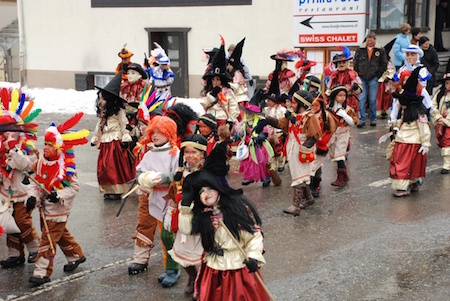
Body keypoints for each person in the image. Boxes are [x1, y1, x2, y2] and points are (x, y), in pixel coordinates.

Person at [178, 169, 270, 301]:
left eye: (209, 188)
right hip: (213, 268)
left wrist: (253, 257)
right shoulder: (203, 215)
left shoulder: (236, 210)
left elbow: (254, 236)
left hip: (237, 268)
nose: (206, 194)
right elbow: (186, 229)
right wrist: (185, 208)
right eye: (201, 191)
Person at [27, 113, 89, 285]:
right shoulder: (41, 162)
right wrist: (32, 197)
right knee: (59, 235)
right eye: (45, 144)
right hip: (44, 208)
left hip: (59, 209)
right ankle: (75, 255)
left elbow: (74, 188)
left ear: (58, 147)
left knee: (48, 239)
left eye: (50, 145)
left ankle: (42, 272)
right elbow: (35, 182)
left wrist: (58, 195)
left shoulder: (66, 167)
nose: (46, 148)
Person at [128, 116, 179, 276]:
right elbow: (140, 171)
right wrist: (142, 177)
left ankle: (171, 267)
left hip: (168, 198)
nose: (155, 135)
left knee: (167, 233)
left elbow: (178, 174)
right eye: (153, 132)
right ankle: (140, 259)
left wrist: (164, 178)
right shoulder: (149, 153)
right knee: (143, 224)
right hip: (148, 195)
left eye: (160, 132)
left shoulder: (175, 153)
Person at [261, 90, 322, 215]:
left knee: (299, 176)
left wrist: (305, 148)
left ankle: (296, 205)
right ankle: (309, 199)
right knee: (300, 175)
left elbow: (315, 135)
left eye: (294, 103)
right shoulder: (291, 115)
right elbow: (280, 124)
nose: (291, 105)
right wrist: (267, 119)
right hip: (292, 148)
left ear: (302, 104)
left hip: (302, 150)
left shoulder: (310, 117)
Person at [0, 94, 41, 269]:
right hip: (6, 193)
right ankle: (15, 254)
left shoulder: (27, 147)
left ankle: (35, 248)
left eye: (10, 130)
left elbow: (27, 165)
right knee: (9, 223)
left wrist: (13, 150)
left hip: (22, 192)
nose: (7, 134)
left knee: (22, 222)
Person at [164, 134, 207, 294]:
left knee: (204, 256)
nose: (190, 156)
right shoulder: (180, 174)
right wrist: (171, 213)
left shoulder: (209, 173)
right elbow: (174, 195)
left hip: (203, 219)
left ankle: (202, 284)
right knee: (182, 253)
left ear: (202, 154)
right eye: (187, 152)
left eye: (193, 152)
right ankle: (192, 276)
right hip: (183, 218)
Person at [91, 74, 135, 200]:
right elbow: (99, 127)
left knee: (114, 166)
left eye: (102, 99)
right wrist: (95, 138)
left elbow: (124, 124)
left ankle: (117, 189)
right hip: (105, 141)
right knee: (103, 167)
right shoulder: (103, 114)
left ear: (109, 99)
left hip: (115, 141)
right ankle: (107, 189)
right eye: (99, 99)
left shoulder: (119, 112)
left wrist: (126, 136)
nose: (100, 102)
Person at [390, 67, 431, 197]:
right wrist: (394, 124)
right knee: (402, 164)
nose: (400, 105)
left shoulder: (419, 114)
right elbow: (403, 122)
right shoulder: (406, 112)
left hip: (412, 143)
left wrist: (425, 143)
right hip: (402, 141)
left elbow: (424, 128)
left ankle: (405, 186)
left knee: (405, 165)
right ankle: (413, 182)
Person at [200, 40, 240, 127]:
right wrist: (212, 95)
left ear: (222, 80)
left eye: (218, 79)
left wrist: (231, 120)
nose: (215, 82)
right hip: (209, 120)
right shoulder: (208, 91)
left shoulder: (228, 91)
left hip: (222, 119)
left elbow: (233, 107)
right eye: (213, 79)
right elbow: (203, 103)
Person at [237, 95, 273, 188]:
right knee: (246, 162)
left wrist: (259, 137)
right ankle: (248, 177)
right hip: (248, 145)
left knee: (261, 162)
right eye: (247, 114)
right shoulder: (244, 123)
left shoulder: (260, 123)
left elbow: (265, 134)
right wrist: (236, 137)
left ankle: (265, 178)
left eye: (251, 114)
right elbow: (241, 132)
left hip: (258, 146)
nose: (249, 115)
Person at [354, 31, 388, 127]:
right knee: (361, 99)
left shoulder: (380, 50)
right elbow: (355, 61)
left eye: (371, 39)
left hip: (373, 77)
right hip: (362, 77)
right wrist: (358, 73)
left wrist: (378, 75)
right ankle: (362, 119)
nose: (369, 41)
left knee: (372, 99)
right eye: (368, 39)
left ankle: (373, 119)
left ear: (374, 40)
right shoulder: (360, 49)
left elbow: (384, 64)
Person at [328, 86, 358, 187]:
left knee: (339, 155)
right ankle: (344, 175)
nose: (342, 98)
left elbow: (353, 122)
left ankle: (341, 178)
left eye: (344, 95)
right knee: (335, 155)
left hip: (343, 134)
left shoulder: (348, 109)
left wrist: (344, 115)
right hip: (333, 134)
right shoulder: (329, 108)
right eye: (340, 95)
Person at [309, 95, 338, 197]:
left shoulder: (326, 116)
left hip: (322, 144)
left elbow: (331, 131)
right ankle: (310, 186)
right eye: (312, 105)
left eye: (316, 105)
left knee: (316, 165)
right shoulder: (307, 115)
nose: (314, 108)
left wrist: (323, 144)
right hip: (309, 144)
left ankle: (314, 186)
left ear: (321, 106)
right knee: (310, 165)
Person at [326, 46, 363, 118]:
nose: (341, 64)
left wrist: (356, 88)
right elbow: (329, 88)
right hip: (336, 101)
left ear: (347, 63)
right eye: (339, 62)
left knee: (348, 120)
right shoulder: (334, 74)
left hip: (349, 100)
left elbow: (360, 90)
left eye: (343, 62)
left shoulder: (352, 73)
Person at [431, 58, 450, 174]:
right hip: (441, 122)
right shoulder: (440, 95)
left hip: (448, 123)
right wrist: (438, 117)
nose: (448, 86)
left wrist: (447, 121)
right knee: (442, 141)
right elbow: (433, 106)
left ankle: (447, 165)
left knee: (447, 141)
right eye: (447, 83)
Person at [227, 38, 250, 104]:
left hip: (240, 99)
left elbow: (236, 87)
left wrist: (226, 84)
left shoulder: (237, 73)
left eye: (229, 65)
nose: (228, 67)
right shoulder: (231, 71)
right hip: (235, 97)